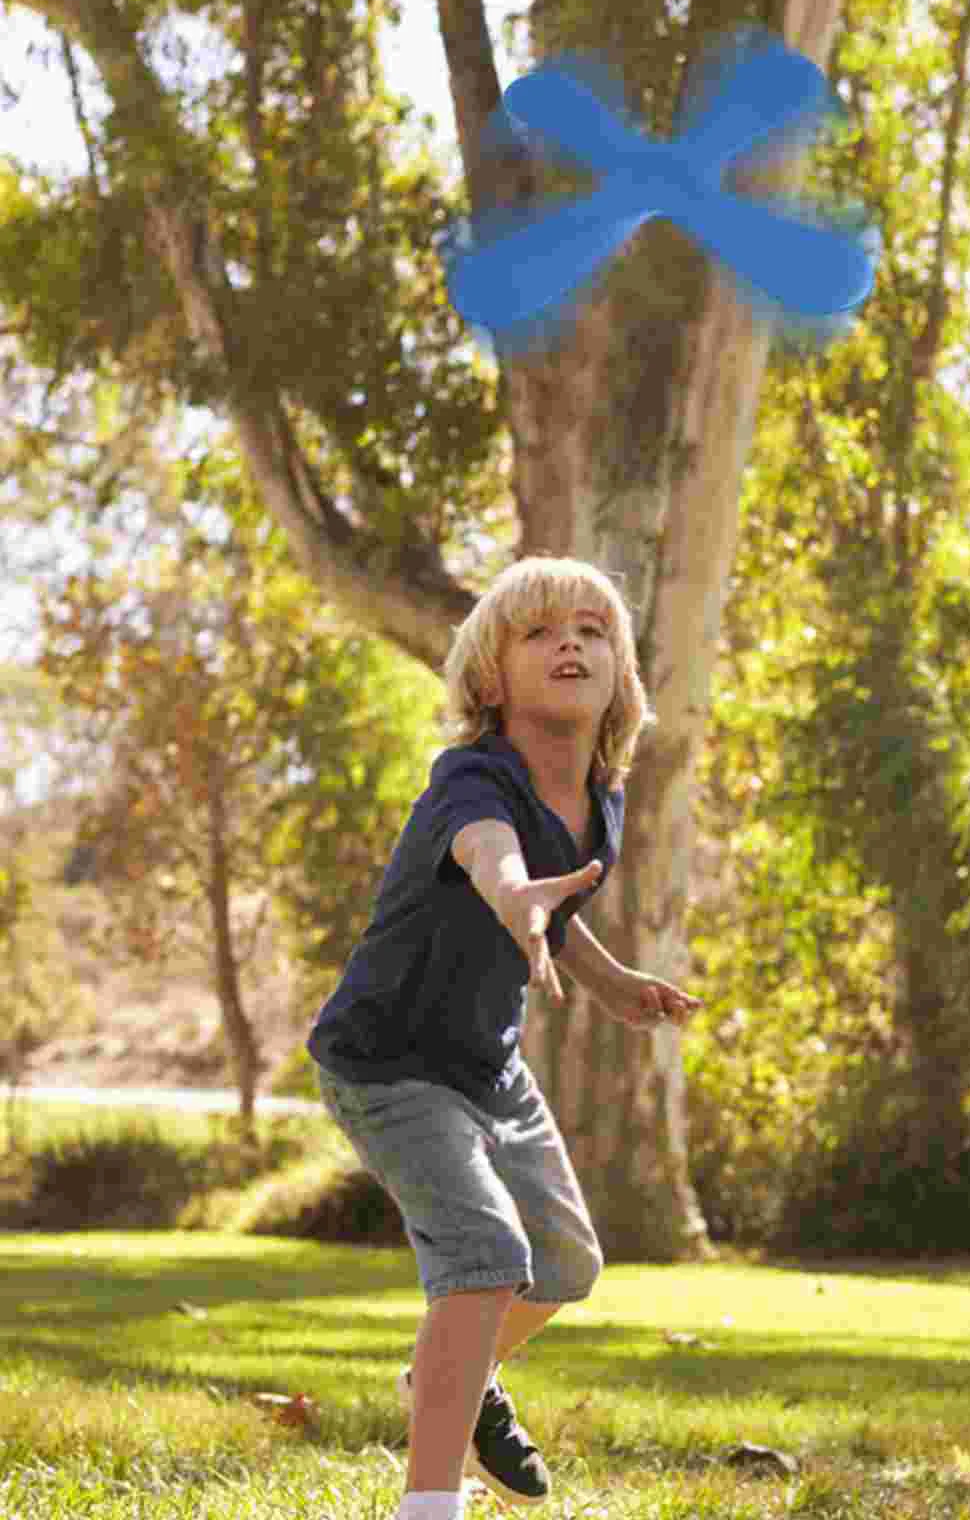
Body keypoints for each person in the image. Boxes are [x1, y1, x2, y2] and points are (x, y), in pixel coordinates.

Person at [307, 556, 702, 1520]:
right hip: (388, 1063)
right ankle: (429, 1502)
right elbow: (493, 854)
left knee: (566, 1264)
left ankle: (447, 1377)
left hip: (488, 1066)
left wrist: (611, 986)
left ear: (621, 673)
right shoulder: (472, 777)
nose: (570, 642)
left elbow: (554, 910)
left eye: (592, 630)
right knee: (484, 1251)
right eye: (540, 632)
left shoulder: (599, 794)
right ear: (491, 677)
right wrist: (513, 891)